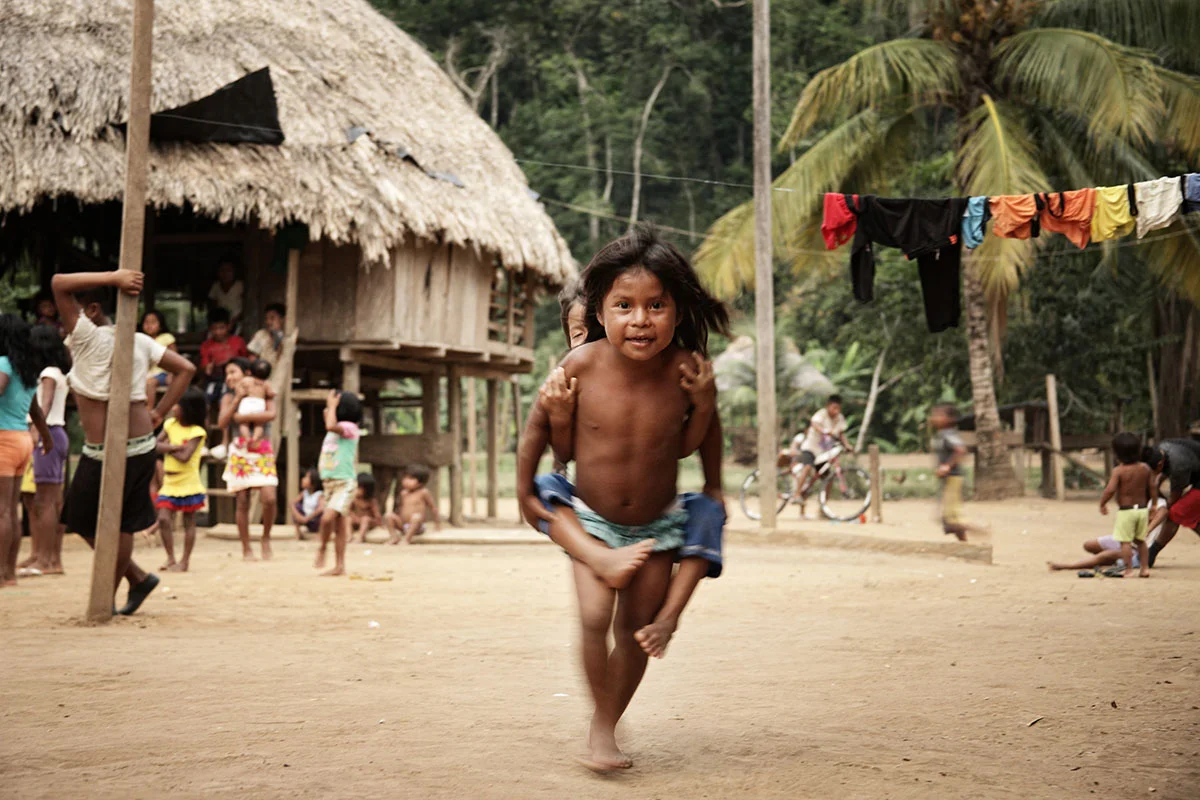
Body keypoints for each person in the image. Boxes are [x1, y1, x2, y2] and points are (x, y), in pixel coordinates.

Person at [515, 227, 728, 771]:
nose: (641, 319)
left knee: (635, 630)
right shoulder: (580, 365)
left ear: (678, 312)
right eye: (624, 306)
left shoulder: (685, 368)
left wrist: (714, 479)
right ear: (600, 312)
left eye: (656, 305)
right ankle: (603, 722)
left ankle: (603, 725)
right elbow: (536, 427)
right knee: (592, 617)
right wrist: (522, 491)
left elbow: (693, 439)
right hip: (591, 519)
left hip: (657, 526)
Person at [526, 283, 727, 660]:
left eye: (594, 333)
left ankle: (669, 617)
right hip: (592, 511)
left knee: (707, 513)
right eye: (578, 334)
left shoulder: (668, 371)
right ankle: (594, 553)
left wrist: (703, 407)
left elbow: (686, 445)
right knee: (543, 489)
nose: (589, 341)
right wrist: (558, 415)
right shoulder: (572, 376)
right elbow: (564, 453)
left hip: (658, 514)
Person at [51, 270, 196, 613]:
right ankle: (135, 580)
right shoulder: (140, 341)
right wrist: (158, 411)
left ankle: (106, 599)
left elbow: (58, 282)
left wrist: (115, 277)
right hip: (131, 445)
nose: (64, 327)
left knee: (99, 521)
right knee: (92, 519)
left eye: (73, 315)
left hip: (119, 449)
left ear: (93, 311)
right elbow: (186, 369)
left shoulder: (86, 335)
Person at [0, 316, 55, 586]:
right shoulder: (27, 369)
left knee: (2, 512)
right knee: (11, 510)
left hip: (3, 440)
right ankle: (9, 573)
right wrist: (45, 436)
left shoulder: (2, 366)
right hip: (22, 440)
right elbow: (34, 410)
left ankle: (2, 574)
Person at [15, 326, 71, 577]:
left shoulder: (48, 373)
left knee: (45, 501)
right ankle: (45, 556)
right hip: (54, 433)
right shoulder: (57, 372)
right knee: (46, 499)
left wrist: (37, 434)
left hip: (46, 433)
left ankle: (47, 560)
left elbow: (45, 404)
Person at [216, 358, 279, 561]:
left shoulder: (262, 387)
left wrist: (240, 418)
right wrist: (237, 400)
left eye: (233, 372)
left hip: (262, 449)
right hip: (240, 450)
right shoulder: (228, 397)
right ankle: (246, 548)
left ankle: (266, 538)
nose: (229, 377)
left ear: (247, 374)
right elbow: (222, 422)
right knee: (242, 500)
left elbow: (272, 414)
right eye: (227, 373)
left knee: (269, 497)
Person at [154, 388, 207, 572]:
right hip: (170, 481)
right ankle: (170, 557)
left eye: (178, 405)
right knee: (163, 518)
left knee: (189, 521)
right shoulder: (170, 424)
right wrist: (176, 448)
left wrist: (167, 447)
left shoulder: (197, 431)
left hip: (189, 482)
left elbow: (186, 457)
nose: (174, 408)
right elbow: (155, 445)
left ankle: (184, 560)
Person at [315, 390, 362, 576]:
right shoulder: (334, 428)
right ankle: (339, 565)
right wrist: (330, 406)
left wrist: (332, 406)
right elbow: (328, 419)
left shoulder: (350, 428)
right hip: (329, 483)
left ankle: (322, 547)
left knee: (327, 518)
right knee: (340, 526)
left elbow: (330, 424)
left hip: (344, 483)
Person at [1096, 432, 1155, 578]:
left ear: (1116, 454)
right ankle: (1145, 568)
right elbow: (1152, 487)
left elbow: (1110, 490)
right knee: (1141, 541)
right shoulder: (1145, 468)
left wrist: (1102, 503)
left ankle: (1128, 569)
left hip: (1126, 511)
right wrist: (1153, 504)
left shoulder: (1119, 471)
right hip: (1142, 510)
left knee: (1125, 542)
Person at [931, 403, 984, 542]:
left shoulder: (948, 434)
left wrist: (947, 466)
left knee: (951, 517)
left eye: (938, 415)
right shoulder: (941, 434)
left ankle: (978, 530)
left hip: (953, 479)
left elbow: (960, 449)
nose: (934, 418)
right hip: (949, 479)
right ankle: (964, 544)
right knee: (948, 517)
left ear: (949, 419)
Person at [1144, 439, 1200, 567]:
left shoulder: (1179, 465)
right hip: (1196, 474)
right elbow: (1163, 473)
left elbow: (1173, 499)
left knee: (1175, 512)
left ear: (1159, 465)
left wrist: (1158, 514)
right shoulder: (1161, 450)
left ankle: (1151, 554)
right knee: (1186, 514)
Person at [790, 394, 850, 513]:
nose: (836, 411)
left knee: (828, 478)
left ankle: (823, 508)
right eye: (834, 408)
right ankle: (796, 494)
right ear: (828, 406)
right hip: (811, 448)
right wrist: (825, 431)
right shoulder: (821, 414)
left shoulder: (840, 418)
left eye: (838, 408)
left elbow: (841, 434)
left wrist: (847, 445)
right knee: (807, 467)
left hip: (822, 454)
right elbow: (815, 424)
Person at [199, 308, 248, 404]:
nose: (218, 332)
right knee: (207, 400)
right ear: (210, 329)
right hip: (215, 380)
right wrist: (210, 367)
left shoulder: (238, 342)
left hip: (237, 381)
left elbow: (245, 362)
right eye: (214, 329)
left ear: (229, 326)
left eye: (221, 328)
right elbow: (206, 369)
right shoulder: (207, 345)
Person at [385, 464, 441, 545]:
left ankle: (407, 539)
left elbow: (433, 508)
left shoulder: (423, 493)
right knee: (388, 515)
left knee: (416, 517)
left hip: (417, 527)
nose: (406, 481)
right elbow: (400, 508)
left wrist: (437, 524)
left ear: (420, 483)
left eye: (411, 479)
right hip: (403, 525)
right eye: (405, 478)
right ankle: (394, 537)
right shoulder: (403, 493)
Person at [232, 359, 274, 445]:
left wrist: (240, 394)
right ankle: (255, 437)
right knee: (259, 424)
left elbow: (237, 387)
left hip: (246, 402)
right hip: (259, 403)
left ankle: (247, 438)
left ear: (250, 371)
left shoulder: (246, 380)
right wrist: (273, 394)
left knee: (243, 424)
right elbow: (270, 393)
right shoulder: (265, 383)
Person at [140, 310, 177, 402]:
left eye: (153, 322)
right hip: (145, 372)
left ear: (160, 325)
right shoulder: (141, 339)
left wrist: (171, 374)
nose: (149, 325)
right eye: (146, 322)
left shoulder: (166, 337)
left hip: (162, 373)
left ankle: (149, 409)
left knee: (150, 383)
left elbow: (175, 359)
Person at [208, 257, 245, 330]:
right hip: (221, 323)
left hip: (238, 323)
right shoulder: (216, 287)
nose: (225, 274)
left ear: (234, 272)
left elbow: (246, 306)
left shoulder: (240, 285)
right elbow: (212, 306)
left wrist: (234, 321)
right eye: (222, 270)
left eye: (228, 270)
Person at [247, 303, 286, 370]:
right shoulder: (261, 335)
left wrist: (277, 337)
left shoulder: (287, 337)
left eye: (272, 318)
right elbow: (252, 357)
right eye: (266, 318)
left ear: (283, 319)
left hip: (281, 374)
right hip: (262, 374)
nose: (268, 322)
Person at [348, 472, 383, 543]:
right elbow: (349, 510)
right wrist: (354, 517)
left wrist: (379, 523)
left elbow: (377, 515)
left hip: (368, 522)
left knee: (365, 519)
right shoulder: (354, 499)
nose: (357, 490)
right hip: (356, 520)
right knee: (348, 519)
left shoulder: (371, 501)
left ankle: (360, 538)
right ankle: (349, 536)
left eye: (360, 488)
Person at [291, 468, 324, 541]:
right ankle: (298, 532)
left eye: (306, 477)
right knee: (297, 507)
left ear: (313, 483)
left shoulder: (319, 494)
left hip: (315, 521)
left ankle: (320, 534)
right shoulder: (304, 493)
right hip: (305, 519)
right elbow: (292, 503)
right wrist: (299, 516)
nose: (303, 479)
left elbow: (321, 508)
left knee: (323, 513)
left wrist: (307, 518)